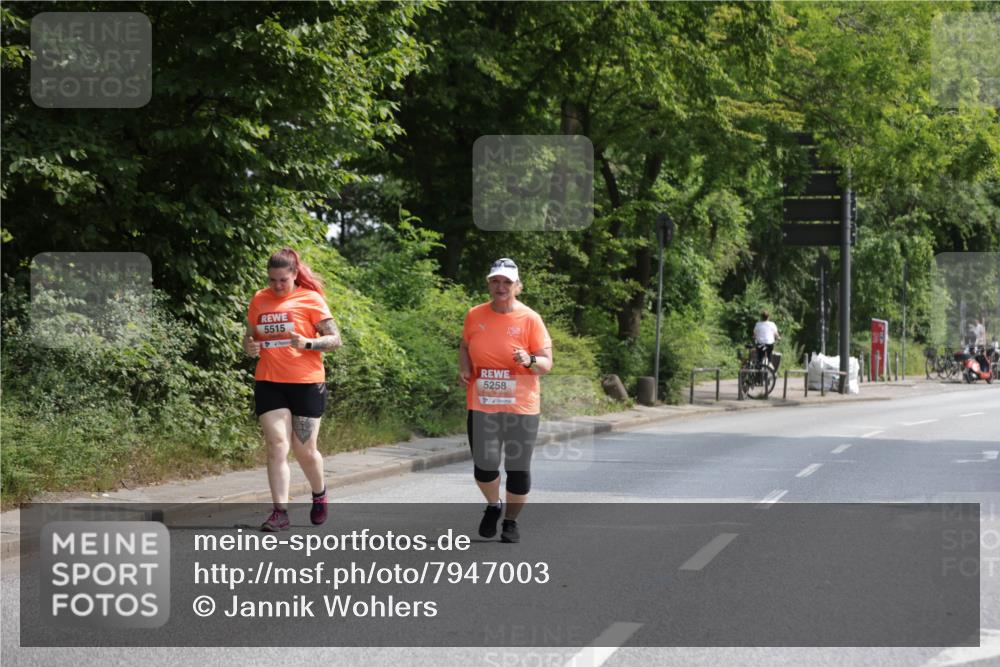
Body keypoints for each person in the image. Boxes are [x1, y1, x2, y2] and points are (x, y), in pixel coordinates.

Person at [244, 248, 342, 531]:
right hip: (269, 381)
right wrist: (249, 346)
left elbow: (335, 340)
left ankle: (319, 493)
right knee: (276, 445)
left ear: (295, 275)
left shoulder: (311, 299)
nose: (277, 286)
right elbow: (249, 337)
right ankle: (280, 512)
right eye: (272, 280)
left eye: (283, 280)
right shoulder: (259, 299)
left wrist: (308, 344)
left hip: (306, 383)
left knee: (305, 451)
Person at [458, 258, 552, 543]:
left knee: (518, 470)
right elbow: (464, 345)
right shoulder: (475, 315)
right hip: (482, 403)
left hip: (520, 407)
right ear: (489, 284)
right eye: (495, 281)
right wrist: (464, 367)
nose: (501, 287)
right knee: (484, 467)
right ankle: (493, 505)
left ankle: (510, 521)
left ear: (517, 287)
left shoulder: (530, 319)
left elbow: (546, 363)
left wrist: (530, 359)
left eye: (507, 282)